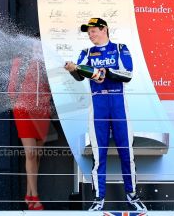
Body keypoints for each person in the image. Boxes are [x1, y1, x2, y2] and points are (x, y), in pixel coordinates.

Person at [64, 18, 147, 212]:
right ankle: (99, 198)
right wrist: (72, 70)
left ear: (104, 30)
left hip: (118, 103)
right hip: (98, 104)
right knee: (99, 155)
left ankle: (132, 195)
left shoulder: (119, 48)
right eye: (88, 32)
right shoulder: (86, 53)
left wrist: (105, 72)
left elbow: (128, 74)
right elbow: (79, 75)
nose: (90, 35)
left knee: (126, 152)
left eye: (93, 31)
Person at [7, 40, 51, 210]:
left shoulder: (47, 64)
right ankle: (35, 196)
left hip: (43, 112)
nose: (39, 48)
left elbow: (51, 87)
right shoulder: (21, 60)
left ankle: (28, 195)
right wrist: (19, 103)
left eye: (41, 45)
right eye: (36, 45)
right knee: (31, 153)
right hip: (24, 110)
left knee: (37, 155)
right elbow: (11, 88)